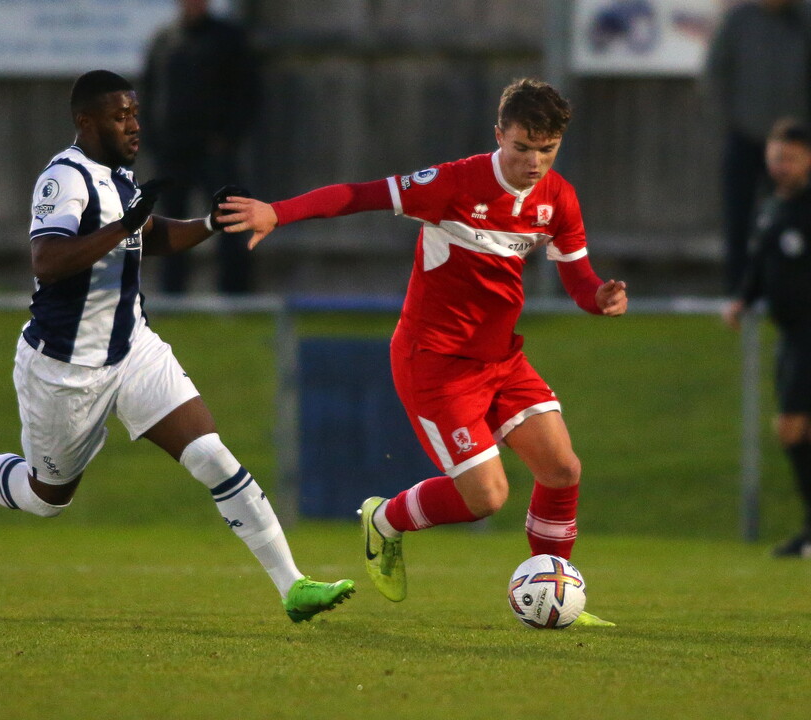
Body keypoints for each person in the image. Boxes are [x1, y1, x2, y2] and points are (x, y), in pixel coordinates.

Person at [0, 70, 354, 622]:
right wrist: (124, 226)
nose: (134, 124)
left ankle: (294, 587)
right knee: (46, 498)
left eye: (135, 113)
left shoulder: (119, 174)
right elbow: (48, 262)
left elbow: (146, 234)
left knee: (210, 454)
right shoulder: (65, 177)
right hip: (65, 369)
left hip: (132, 348)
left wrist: (210, 225)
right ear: (85, 120)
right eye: (120, 115)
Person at [219, 78, 628, 626]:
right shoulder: (453, 183)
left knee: (561, 469)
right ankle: (384, 520)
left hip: (501, 360)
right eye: (522, 148)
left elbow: (578, 278)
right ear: (499, 135)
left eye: (546, 150)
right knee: (486, 497)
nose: (534, 162)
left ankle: (554, 597)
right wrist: (279, 213)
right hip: (434, 362)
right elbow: (357, 194)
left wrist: (600, 297)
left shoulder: (558, 198)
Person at [724, 118, 811, 558]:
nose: (782, 166)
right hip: (791, 333)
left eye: (790, 159)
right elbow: (760, 262)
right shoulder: (770, 205)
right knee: (795, 431)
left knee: (792, 427)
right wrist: (742, 299)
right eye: (777, 157)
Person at [140, 0, 258, 294]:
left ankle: (235, 296)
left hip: (213, 150)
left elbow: (248, 93)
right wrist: (152, 141)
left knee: (229, 221)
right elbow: (149, 90)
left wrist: (228, 138)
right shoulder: (164, 39)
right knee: (169, 227)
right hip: (172, 151)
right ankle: (173, 296)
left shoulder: (228, 38)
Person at [703, 0, 811, 294]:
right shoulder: (738, 20)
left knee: (796, 217)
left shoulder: (804, 19)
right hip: (746, 139)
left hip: (796, 144)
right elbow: (715, 73)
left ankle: (792, 290)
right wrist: (730, 122)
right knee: (739, 219)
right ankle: (738, 293)